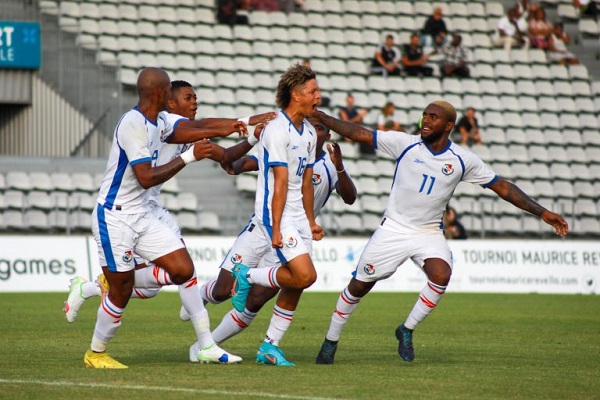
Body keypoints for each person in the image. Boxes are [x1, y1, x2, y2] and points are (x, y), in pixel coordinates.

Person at [311, 100, 569, 364]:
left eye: (433, 117)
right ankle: (330, 341)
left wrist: (542, 212)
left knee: (441, 275)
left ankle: (406, 329)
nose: (426, 120)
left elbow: (502, 187)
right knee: (358, 287)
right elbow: (358, 132)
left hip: (428, 233)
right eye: (424, 115)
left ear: (448, 125)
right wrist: (321, 116)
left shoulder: (462, 160)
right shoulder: (405, 143)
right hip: (394, 229)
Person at [73, 69, 253, 369]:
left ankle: (206, 345)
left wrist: (248, 126)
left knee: (183, 269)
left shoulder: (163, 121)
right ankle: (96, 352)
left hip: (144, 213)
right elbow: (144, 178)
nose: (190, 100)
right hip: (115, 217)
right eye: (175, 91)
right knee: (121, 292)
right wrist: (189, 157)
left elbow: (207, 132)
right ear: (160, 94)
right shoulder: (133, 123)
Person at [182, 116, 357, 357]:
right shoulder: (282, 147)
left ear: (327, 136)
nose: (315, 132)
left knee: (253, 302)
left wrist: (340, 167)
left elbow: (350, 197)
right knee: (224, 290)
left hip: (292, 236)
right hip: (261, 228)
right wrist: (232, 162)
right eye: (313, 127)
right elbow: (243, 164)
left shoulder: (328, 166)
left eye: (320, 129)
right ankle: (203, 294)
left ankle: (205, 345)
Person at [224, 63, 324, 366]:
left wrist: (311, 220)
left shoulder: (309, 132)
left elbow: (305, 181)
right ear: (295, 95)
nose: (319, 97)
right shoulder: (276, 129)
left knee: (295, 284)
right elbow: (280, 183)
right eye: (313, 91)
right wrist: (277, 227)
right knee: (306, 275)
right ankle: (245, 275)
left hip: (297, 216)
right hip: (274, 215)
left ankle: (270, 346)